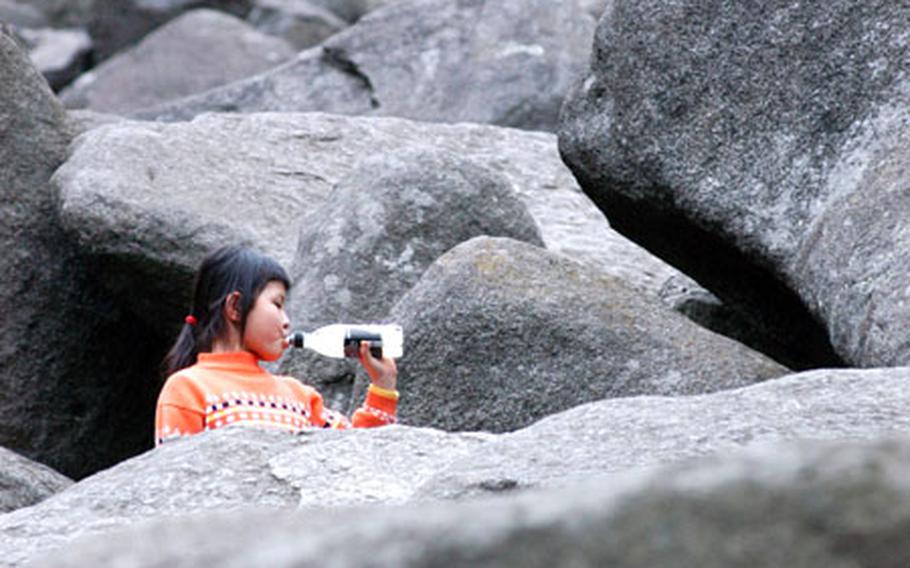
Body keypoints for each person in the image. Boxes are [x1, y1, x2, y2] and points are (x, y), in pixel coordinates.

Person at [155, 245, 398, 446]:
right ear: (235, 307)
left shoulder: (300, 397)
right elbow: (174, 480)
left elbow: (358, 456)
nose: (286, 322)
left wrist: (382, 387)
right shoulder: (187, 389)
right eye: (277, 304)